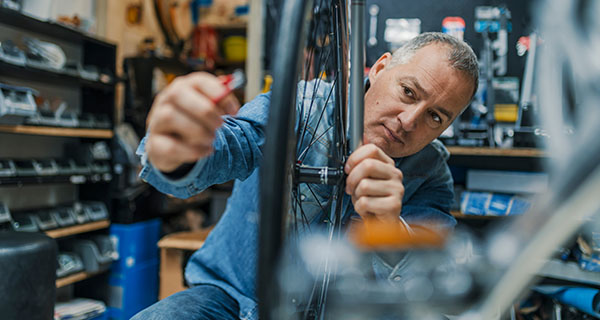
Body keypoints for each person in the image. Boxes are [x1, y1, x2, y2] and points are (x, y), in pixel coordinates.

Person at [133, 32, 479, 320]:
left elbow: (434, 285)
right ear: (380, 68)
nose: (409, 121)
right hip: (234, 302)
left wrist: (389, 228)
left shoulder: (430, 174)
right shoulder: (300, 106)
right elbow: (232, 144)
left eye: (435, 117)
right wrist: (177, 150)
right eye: (408, 92)